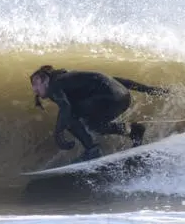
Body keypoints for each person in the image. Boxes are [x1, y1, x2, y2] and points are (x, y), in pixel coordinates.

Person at [29, 65, 170, 161]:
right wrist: (149, 89)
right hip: (122, 98)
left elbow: (65, 107)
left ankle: (92, 149)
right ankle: (134, 130)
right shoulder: (70, 78)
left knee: (69, 114)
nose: (34, 89)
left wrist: (58, 132)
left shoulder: (55, 85)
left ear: (46, 79)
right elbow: (115, 81)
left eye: (36, 83)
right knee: (95, 125)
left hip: (109, 98)